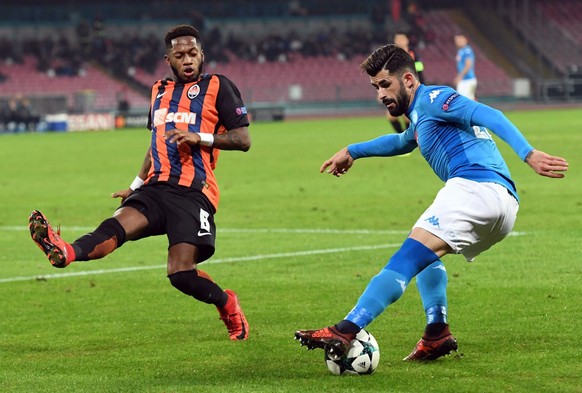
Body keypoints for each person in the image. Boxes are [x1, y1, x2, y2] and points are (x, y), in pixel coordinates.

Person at [295, 44, 568, 361]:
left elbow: (489, 114)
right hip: (502, 206)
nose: (380, 94)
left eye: (385, 84)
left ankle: (345, 329)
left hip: (475, 188)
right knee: (427, 255)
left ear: (408, 79)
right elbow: (402, 141)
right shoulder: (421, 114)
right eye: (376, 87)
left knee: (407, 258)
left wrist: (528, 153)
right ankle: (437, 332)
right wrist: (353, 150)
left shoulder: (435, 98)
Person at [29, 25, 251, 341]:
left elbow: (243, 139)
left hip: (193, 192)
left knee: (181, 275)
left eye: (192, 53)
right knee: (114, 227)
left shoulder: (218, 86)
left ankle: (227, 302)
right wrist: (135, 185)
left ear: (201, 55)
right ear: (168, 60)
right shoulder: (158, 90)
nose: (187, 60)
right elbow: (155, 141)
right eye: (180, 55)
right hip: (155, 187)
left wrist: (198, 137)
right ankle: (66, 251)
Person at [387, 32, 425, 133]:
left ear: (407, 40)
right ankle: (403, 136)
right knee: (391, 117)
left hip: (410, 88)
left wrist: (419, 86)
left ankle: (408, 137)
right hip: (398, 89)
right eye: (397, 39)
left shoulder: (413, 54)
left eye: (401, 39)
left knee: (407, 117)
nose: (399, 41)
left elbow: (419, 71)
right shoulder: (392, 55)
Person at [454, 33, 477, 100]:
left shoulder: (467, 51)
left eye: (460, 39)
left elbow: (468, 65)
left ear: (465, 40)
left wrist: (459, 76)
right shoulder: (461, 51)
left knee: (463, 101)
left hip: (467, 80)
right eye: (457, 40)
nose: (458, 41)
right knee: (468, 101)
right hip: (465, 80)